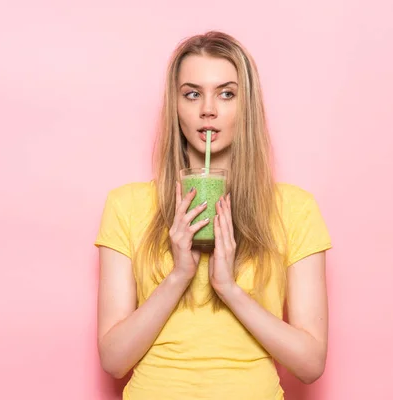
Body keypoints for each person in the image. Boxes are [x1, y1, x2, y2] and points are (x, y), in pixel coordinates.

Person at [94, 31, 332, 400]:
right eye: (192, 93)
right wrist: (178, 275)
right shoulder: (126, 205)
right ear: (175, 106)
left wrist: (229, 289)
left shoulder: (294, 209)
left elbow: (310, 363)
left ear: (246, 105)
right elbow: (113, 360)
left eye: (226, 93)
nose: (208, 109)